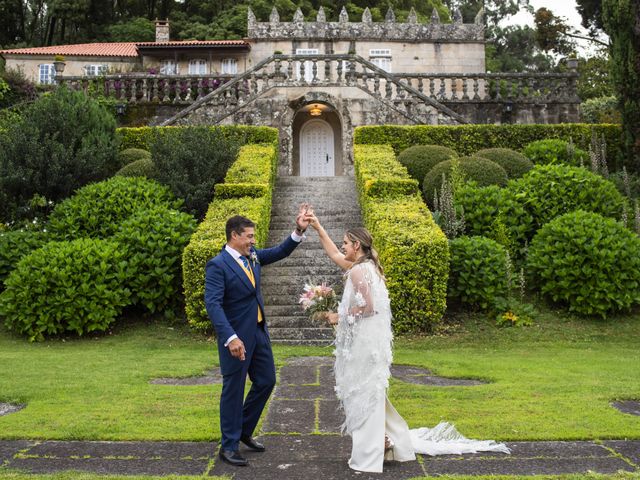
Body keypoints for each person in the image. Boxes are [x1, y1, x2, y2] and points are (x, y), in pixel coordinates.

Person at [306, 212, 511, 473]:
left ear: (356, 245)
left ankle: (371, 452)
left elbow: (368, 308)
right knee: (369, 393)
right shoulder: (366, 267)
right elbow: (334, 255)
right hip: (370, 345)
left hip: (365, 347)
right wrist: (317, 226)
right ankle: (385, 441)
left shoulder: (359, 272)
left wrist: (338, 315)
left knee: (362, 393)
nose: (342, 246)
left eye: (346, 242)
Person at [205, 207, 310, 467]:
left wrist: (298, 230)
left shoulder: (251, 256)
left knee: (266, 381)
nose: (253, 241)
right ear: (234, 235)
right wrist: (230, 338)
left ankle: (243, 430)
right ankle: (228, 447)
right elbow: (213, 305)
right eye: (249, 236)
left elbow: (279, 251)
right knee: (234, 390)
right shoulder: (218, 265)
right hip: (236, 340)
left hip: (259, 333)